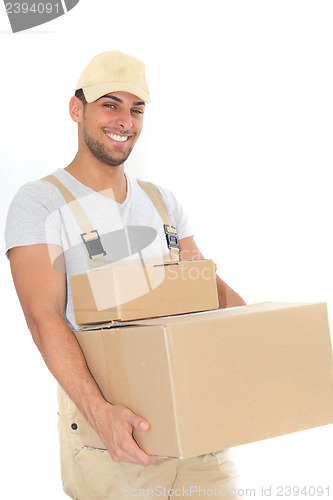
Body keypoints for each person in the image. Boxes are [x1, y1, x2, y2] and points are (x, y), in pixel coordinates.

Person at [5, 50, 246, 499]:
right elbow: (44, 319)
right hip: (113, 437)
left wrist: (260, 340)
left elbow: (207, 290)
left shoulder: (162, 202)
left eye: (137, 109)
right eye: (110, 104)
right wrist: (100, 415)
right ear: (77, 109)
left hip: (198, 423)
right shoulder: (40, 203)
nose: (125, 121)